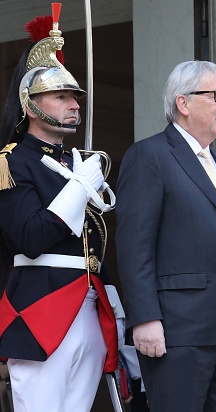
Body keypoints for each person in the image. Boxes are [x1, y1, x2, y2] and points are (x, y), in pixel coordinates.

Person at [0, 9, 123, 412]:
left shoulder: (76, 161)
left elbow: (95, 244)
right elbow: (30, 239)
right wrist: (78, 188)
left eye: (75, 97)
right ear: (31, 106)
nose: (74, 105)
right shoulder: (13, 161)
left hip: (88, 303)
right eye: (61, 96)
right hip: (41, 308)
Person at [116, 60, 216, 412]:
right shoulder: (150, 155)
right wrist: (145, 318)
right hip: (178, 331)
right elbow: (135, 246)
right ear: (183, 103)